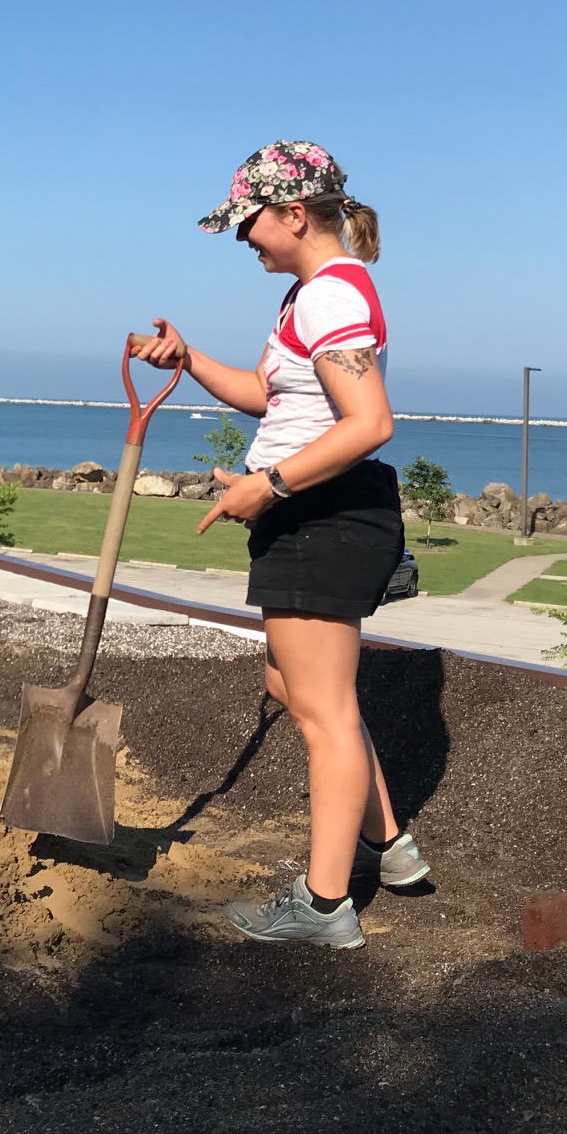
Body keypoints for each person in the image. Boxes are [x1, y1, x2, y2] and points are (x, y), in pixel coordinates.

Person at [133, 140, 426, 950]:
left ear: (295, 214)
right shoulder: (312, 296)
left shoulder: (332, 298)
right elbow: (271, 397)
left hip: (323, 519)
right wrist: (188, 359)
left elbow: (370, 423)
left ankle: (325, 906)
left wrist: (270, 486)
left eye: (249, 222)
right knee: (296, 682)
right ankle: (388, 845)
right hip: (314, 518)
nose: (243, 239)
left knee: (324, 713)